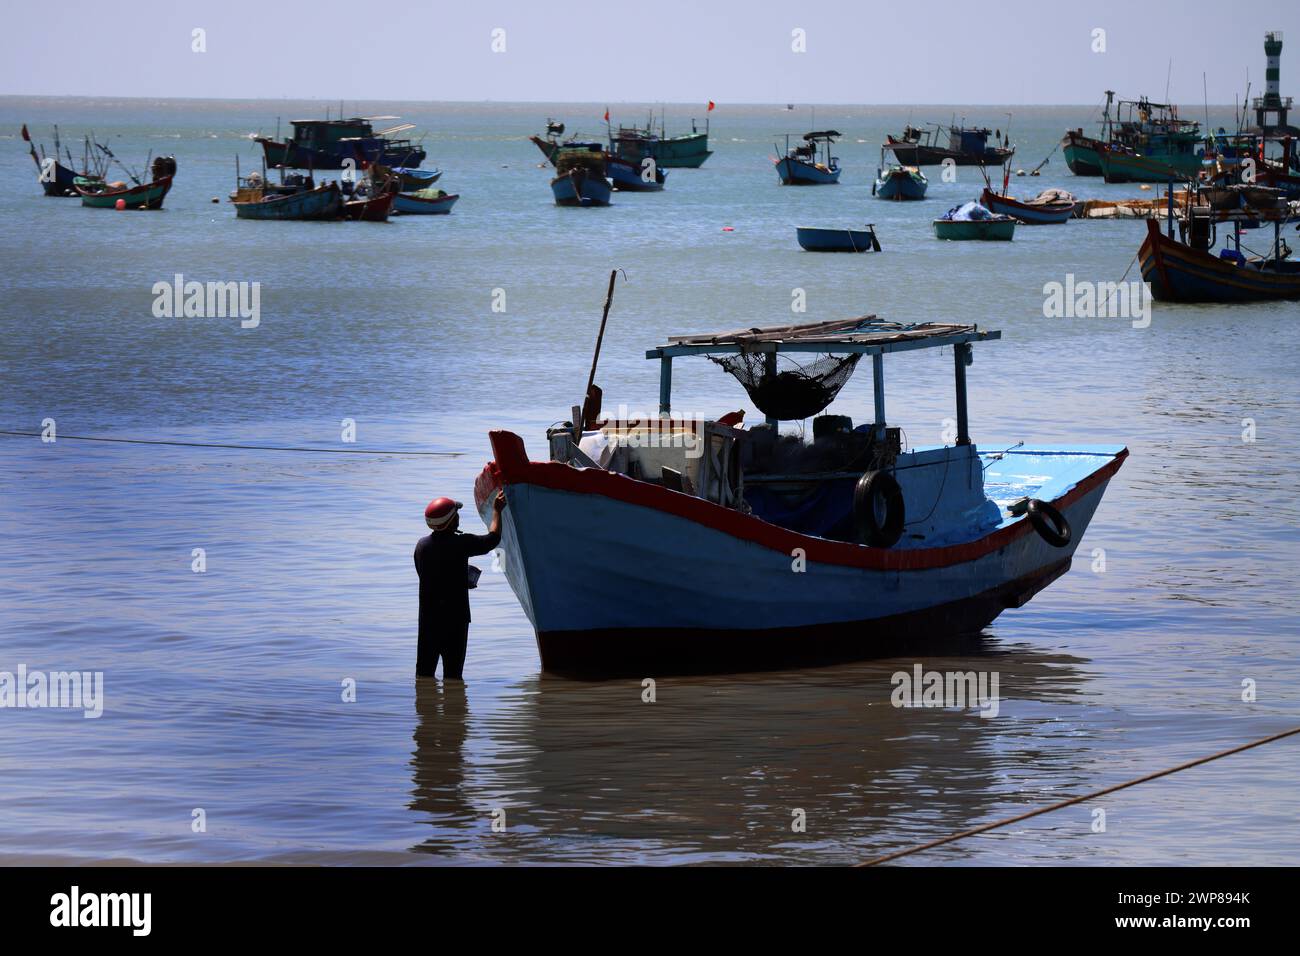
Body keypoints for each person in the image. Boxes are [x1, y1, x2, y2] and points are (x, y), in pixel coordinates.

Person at [413, 490, 505, 679]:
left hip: (428, 622)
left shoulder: (421, 546)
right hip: (455, 621)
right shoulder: (461, 543)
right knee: (453, 676)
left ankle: (424, 707)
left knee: (424, 674)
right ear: (451, 521)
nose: (458, 517)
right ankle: (455, 707)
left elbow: (428, 575)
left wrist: (457, 578)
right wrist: (497, 510)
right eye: (456, 514)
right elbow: (492, 539)